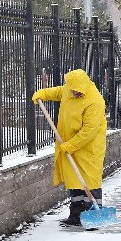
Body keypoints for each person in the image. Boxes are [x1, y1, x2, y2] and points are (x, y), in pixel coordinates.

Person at [32, 69, 107, 227]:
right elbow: (59, 92)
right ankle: (76, 216)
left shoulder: (95, 101)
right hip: (70, 145)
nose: (74, 93)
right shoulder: (70, 89)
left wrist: (70, 145)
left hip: (89, 147)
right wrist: (43, 94)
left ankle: (93, 215)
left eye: (77, 91)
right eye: (72, 90)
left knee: (90, 181)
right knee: (75, 180)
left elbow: (88, 132)